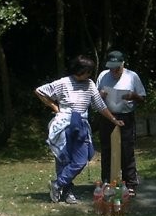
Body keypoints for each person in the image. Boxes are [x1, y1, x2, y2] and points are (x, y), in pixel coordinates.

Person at [35, 55, 124, 204]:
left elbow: (99, 105)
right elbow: (40, 91)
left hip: (81, 124)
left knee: (81, 159)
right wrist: (55, 107)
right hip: (64, 124)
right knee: (64, 159)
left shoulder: (89, 84)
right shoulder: (63, 82)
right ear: (79, 70)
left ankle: (57, 184)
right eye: (87, 71)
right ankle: (67, 191)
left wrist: (113, 119)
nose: (89, 75)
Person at [96, 50, 146, 196]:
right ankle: (106, 181)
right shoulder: (103, 76)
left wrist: (133, 96)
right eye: (111, 67)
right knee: (106, 149)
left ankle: (130, 183)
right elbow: (95, 97)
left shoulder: (132, 76)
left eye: (116, 68)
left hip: (125, 116)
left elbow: (143, 98)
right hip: (107, 116)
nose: (113, 71)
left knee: (127, 150)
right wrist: (101, 95)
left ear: (123, 64)